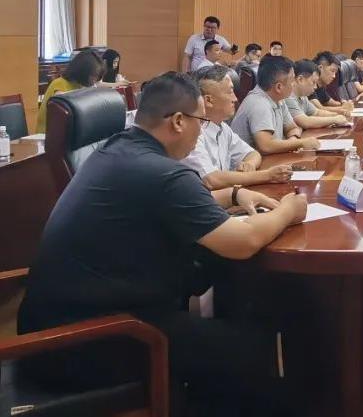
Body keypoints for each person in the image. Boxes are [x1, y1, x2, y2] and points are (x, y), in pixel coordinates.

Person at [17, 72, 308, 416]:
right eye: (201, 121)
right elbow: (243, 242)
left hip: (63, 324)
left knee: (228, 307)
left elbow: (164, 202)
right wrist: (288, 211)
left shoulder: (118, 150)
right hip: (87, 341)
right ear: (179, 121)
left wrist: (233, 194)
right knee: (250, 349)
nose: (202, 131)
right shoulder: (161, 172)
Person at [183, 65, 296, 190]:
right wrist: (268, 175)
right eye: (230, 92)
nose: (235, 98)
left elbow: (253, 154)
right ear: (209, 100)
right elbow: (211, 180)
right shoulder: (192, 134)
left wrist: (249, 164)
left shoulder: (223, 127)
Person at [230, 55, 318, 154]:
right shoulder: (259, 103)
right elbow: (266, 146)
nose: (294, 83)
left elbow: (293, 128)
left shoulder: (278, 99)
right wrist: (300, 143)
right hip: (251, 162)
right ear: (279, 87)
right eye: (292, 80)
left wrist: (293, 141)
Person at [37, 49, 104, 133]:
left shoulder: (80, 85)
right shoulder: (59, 84)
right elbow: (64, 106)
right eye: (93, 76)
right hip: (48, 135)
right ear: (83, 71)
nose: (94, 80)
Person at [286, 59, 351, 129]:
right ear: (300, 79)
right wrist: (334, 119)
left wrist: (338, 115)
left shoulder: (303, 96)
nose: (315, 87)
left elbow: (317, 112)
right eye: (313, 82)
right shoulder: (288, 97)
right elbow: (305, 122)